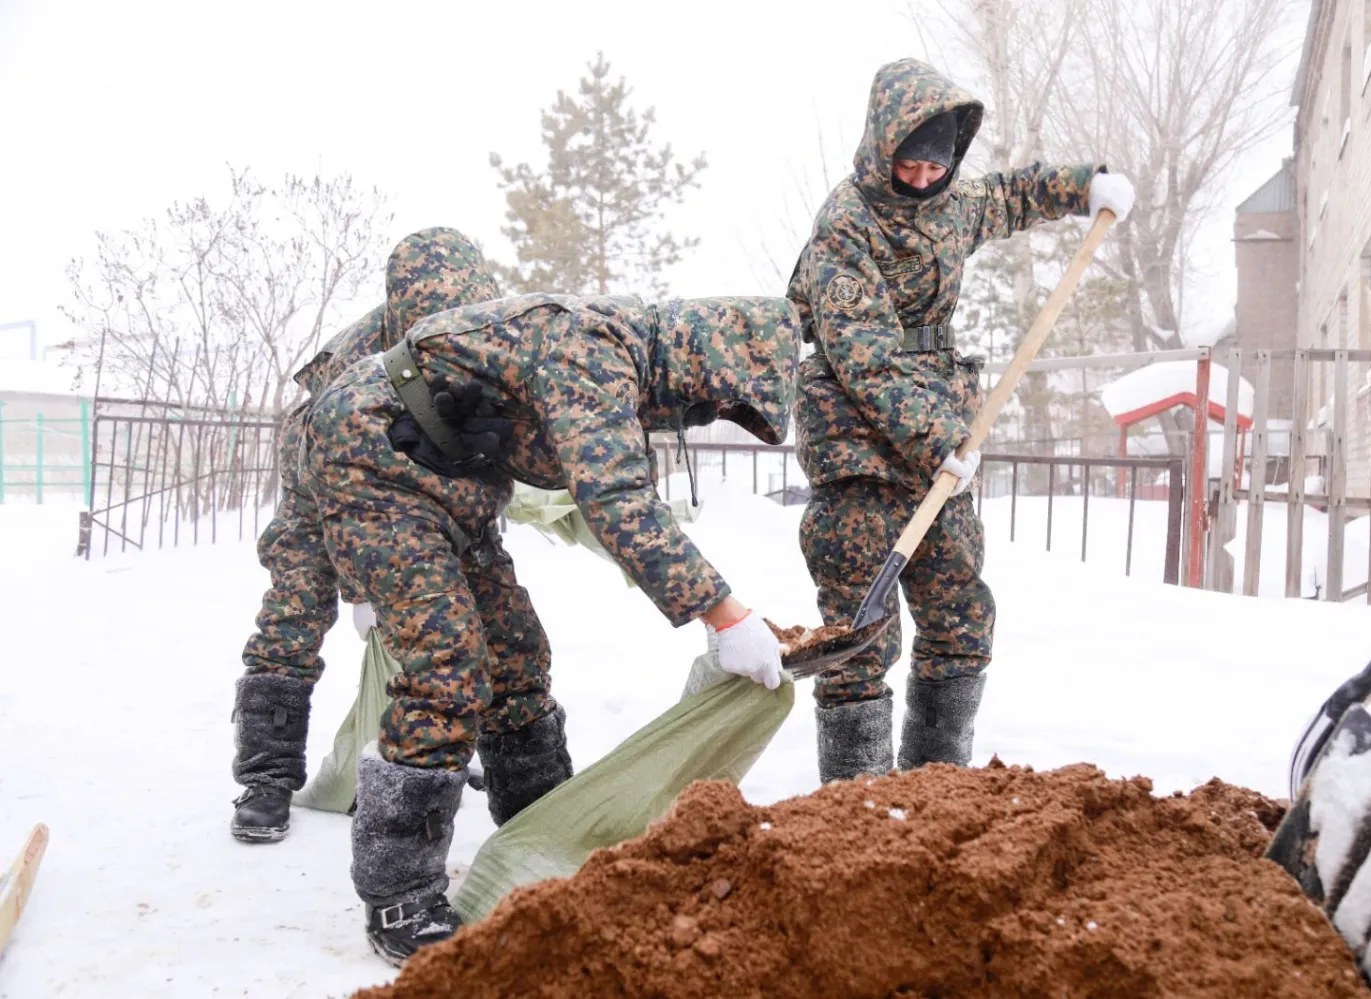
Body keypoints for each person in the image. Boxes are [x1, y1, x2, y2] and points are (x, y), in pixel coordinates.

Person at [301, 291, 797, 964]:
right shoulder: (592, 351)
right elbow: (618, 498)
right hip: (375, 457)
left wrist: (711, 605)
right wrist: (724, 612)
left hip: (450, 476)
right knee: (445, 662)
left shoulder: (622, 359)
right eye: (709, 402)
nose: (700, 415)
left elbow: (610, 493)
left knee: (515, 648)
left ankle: (539, 820)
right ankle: (399, 893)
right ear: (702, 358)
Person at [787, 58, 1135, 784]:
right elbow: (866, 358)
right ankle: (856, 813)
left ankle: (937, 792)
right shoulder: (844, 226)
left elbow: (1011, 194)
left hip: (937, 435)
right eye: (908, 163)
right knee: (858, 638)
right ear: (883, 147)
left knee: (960, 616)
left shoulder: (952, 202)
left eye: (934, 165)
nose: (921, 178)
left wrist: (1082, 187)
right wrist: (941, 437)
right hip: (857, 440)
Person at [229, 227, 500, 843]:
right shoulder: (358, 360)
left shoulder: (477, 339)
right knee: (293, 611)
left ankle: (454, 741)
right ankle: (266, 780)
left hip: (415, 480)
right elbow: (341, 488)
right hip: (321, 477)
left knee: (453, 613)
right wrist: (359, 588)